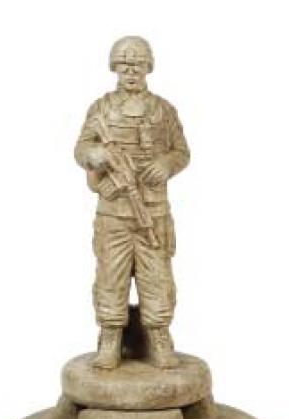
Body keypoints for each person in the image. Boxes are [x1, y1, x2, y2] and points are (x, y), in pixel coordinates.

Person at [74, 36, 190, 369]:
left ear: (148, 68)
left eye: (137, 65)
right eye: (124, 65)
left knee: (157, 277)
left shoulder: (163, 110)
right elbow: (82, 149)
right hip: (113, 213)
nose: (131, 72)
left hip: (152, 211)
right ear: (114, 68)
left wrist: (166, 163)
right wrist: (97, 154)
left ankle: (159, 336)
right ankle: (110, 338)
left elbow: (181, 151)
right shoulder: (102, 109)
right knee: (111, 276)